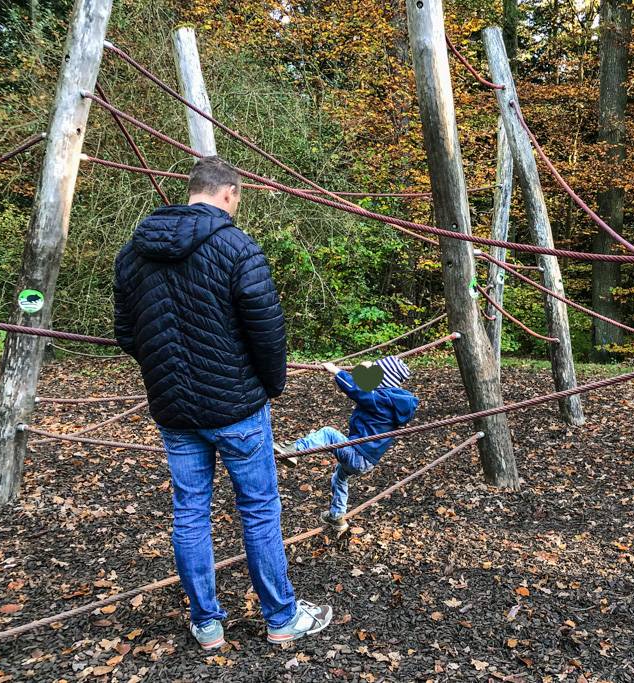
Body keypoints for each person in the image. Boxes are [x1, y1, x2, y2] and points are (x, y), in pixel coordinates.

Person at [113, 156, 332, 650]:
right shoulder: (237, 247)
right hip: (237, 407)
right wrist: (269, 385)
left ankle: (206, 623)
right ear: (229, 193)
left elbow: (128, 333)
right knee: (258, 508)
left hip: (174, 410)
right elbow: (268, 333)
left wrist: (169, 369)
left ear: (191, 190)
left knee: (190, 510)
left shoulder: (133, 252)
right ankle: (281, 618)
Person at [274, 356, 418, 534]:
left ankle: (293, 450)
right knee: (340, 476)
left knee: (328, 433)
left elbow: (357, 390)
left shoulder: (380, 400)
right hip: (367, 462)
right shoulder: (393, 402)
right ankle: (337, 516)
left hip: (357, 454)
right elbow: (364, 386)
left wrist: (336, 371)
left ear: (384, 380)